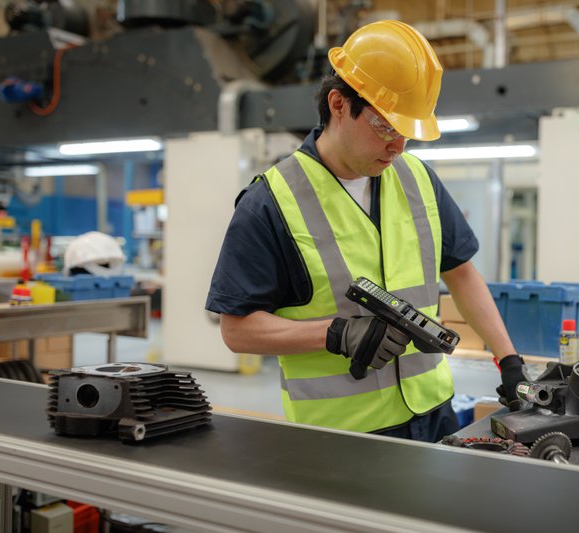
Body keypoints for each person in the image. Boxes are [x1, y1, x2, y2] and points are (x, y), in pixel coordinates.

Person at [206, 20, 527, 442]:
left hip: (434, 414)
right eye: (384, 126)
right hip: (343, 437)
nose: (397, 146)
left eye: (406, 133)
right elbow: (236, 329)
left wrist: (508, 359)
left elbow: (462, 273)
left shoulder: (417, 179)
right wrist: (333, 333)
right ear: (339, 104)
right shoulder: (271, 202)